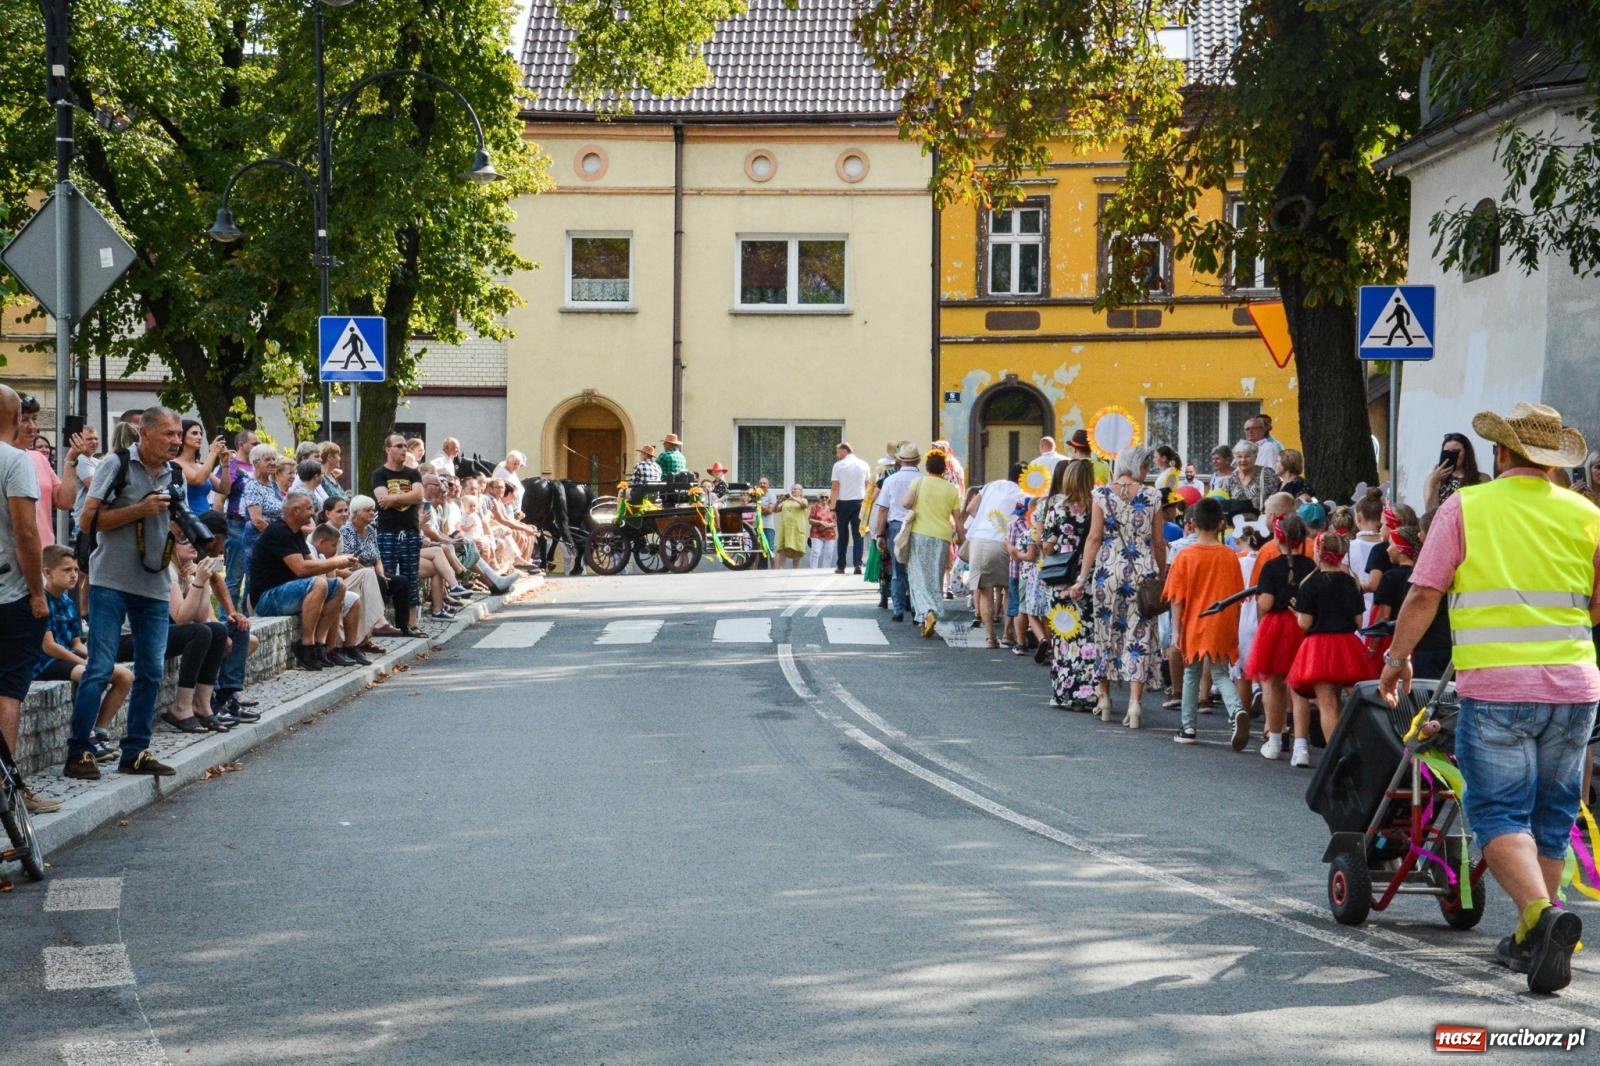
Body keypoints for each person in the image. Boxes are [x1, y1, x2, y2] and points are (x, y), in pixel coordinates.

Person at [1381, 401, 1599, 994]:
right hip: (1576, 688)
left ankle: (1542, 918)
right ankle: (1537, 942)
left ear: (1501, 453)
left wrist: (1396, 660)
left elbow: (1424, 594)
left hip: (1498, 686)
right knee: (1551, 816)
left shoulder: (1466, 507)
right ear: (1554, 462)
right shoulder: (1588, 515)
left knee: (1497, 811)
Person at [63, 406, 186, 780]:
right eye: (168, 434)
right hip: (111, 582)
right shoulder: (115, 465)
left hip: (153, 583)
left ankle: (135, 751)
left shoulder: (174, 473)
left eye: (178, 434)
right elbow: (88, 522)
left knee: (151, 670)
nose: (176, 441)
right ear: (144, 434)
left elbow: (174, 525)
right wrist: (140, 510)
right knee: (99, 668)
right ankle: (79, 752)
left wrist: (185, 532)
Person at [1076, 447, 1167, 728]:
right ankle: (1135, 703)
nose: (1147, 471)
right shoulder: (1153, 495)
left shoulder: (1101, 494)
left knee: (1106, 631)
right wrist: (1161, 575)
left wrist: (1082, 577)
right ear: (1138, 466)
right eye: (1146, 466)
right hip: (1142, 571)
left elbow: (1093, 538)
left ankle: (1103, 697)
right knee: (1138, 636)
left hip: (1108, 570)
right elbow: (1158, 541)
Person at [0, 386, 53, 812]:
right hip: (8, 594)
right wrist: (38, 592)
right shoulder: (15, 461)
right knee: (8, 692)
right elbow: (26, 533)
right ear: (17, 419)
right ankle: (8, 791)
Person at [1164, 497, 1250, 749]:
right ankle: (1236, 711)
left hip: (1195, 621)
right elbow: (1237, 594)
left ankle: (1188, 726)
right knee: (1220, 672)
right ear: (1221, 524)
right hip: (1221, 620)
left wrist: (1176, 630)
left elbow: (1177, 597)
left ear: (1191, 524)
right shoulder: (1229, 555)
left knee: (1191, 672)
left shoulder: (1185, 555)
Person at [1287, 531, 1374, 749]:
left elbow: (1305, 623)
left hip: (1319, 648)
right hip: (1347, 646)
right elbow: (1359, 621)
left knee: (1328, 706)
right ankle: (1361, 748)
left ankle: (1336, 756)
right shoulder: (1351, 582)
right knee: (1359, 703)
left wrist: (1297, 615)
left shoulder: (1310, 583)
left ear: (1318, 551)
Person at [251, 490, 357, 667]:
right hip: (267, 598)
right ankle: (306, 646)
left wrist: (335, 565)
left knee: (338, 586)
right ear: (295, 510)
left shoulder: (296, 533)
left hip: (287, 592)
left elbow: (312, 563)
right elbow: (301, 569)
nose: (312, 512)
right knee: (319, 584)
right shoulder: (279, 531)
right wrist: (336, 562)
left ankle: (320, 645)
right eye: (308, 508)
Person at [1247, 514, 1316, 763]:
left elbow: (1266, 602)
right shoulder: (1311, 566)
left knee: (1275, 687)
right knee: (1299, 691)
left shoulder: (1271, 567)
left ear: (1279, 538)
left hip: (1275, 628)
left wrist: (1260, 606)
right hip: (1302, 627)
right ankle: (1301, 748)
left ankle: (1275, 740)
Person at [1040, 459, 1098, 709]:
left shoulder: (1057, 508)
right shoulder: (1097, 506)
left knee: (1063, 634)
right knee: (1088, 635)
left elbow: (1047, 545)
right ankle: (1089, 691)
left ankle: (1063, 692)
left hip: (1060, 577)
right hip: (1088, 575)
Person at [901, 450, 964, 637]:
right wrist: (962, 538)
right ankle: (931, 614)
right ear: (944, 469)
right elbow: (958, 518)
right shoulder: (951, 489)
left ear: (927, 467)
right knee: (935, 578)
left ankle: (926, 612)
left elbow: (906, 503)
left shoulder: (918, 482)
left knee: (918, 577)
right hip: (942, 537)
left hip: (919, 534)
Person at [963, 461, 1025, 645]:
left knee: (985, 592)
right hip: (1004, 542)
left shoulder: (991, 485)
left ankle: (990, 637)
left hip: (979, 541)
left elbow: (970, 508)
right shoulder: (1023, 494)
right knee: (1008, 590)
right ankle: (1007, 633)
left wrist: (984, 521)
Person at [372, 433, 425, 634]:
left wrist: (394, 499)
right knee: (387, 576)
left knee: (411, 575)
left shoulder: (413, 474)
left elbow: (419, 495)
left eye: (405, 446)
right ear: (388, 449)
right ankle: (383, 620)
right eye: (399, 446)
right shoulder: (380, 474)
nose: (404, 449)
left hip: (410, 530)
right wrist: (406, 497)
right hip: (387, 531)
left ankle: (411, 623)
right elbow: (381, 499)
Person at [17, 393, 80, 547]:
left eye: (35, 418)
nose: (32, 426)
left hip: (44, 550)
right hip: (12, 556)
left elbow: (65, 500)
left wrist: (71, 459)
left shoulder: (38, 458)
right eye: (24, 419)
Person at [872, 445, 923, 621]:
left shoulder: (891, 480)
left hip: (896, 526)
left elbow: (883, 509)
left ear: (900, 460)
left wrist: (879, 534)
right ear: (917, 460)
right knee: (916, 568)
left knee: (897, 568)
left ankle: (898, 610)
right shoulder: (923, 479)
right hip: (918, 525)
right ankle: (917, 609)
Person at [829, 442, 872, 575]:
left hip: (843, 503)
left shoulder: (838, 466)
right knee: (858, 534)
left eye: (838, 451)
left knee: (843, 535)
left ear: (844, 450)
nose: (837, 455)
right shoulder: (863, 464)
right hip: (859, 502)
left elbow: (835, 487)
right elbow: (868, 485)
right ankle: (857, 564)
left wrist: (832, 507)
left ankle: (841, 566)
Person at [1423, 431, 1491, 513]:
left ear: (1466, 453)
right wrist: (1433, 483)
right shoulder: (1433, 479)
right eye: (1447, 452)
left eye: (1456, 451)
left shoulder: (1482, 479)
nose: (1452, 455)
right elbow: (1430, 513)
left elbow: (1486, 508)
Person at [175, 419, 231, 515]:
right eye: (194, 433)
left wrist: (225, 464)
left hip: (206, 520)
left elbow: (224, 489)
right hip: (189, 521)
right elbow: (198, 480)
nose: (199, 437)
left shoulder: (200, 466)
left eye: (200, 434)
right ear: (182, 436)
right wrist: (213, 453)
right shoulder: (175, 463)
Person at [1219, 440, 1281, 511]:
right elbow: (1224, 504)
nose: (1243, 460)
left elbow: (1278, 498)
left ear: (1255, 457)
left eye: (1247, 456)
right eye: (1239, 456)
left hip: (1261, 519)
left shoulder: (1267, 474)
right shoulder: (1230, 479)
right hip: (1235, 519)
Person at [807, 493, 837, 569]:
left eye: (826, 497)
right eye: (822, 497)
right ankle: (813, 570)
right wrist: (820, 522)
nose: (824, 499)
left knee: (829, 554)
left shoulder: (832, 509)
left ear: (829, 498)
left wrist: (828, 525)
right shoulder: (814, 507)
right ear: (819, 498)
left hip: (830, 534)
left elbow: (836, 522)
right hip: (816, 533)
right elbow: (810, 520)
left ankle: (825, 571)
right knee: (815, 553)